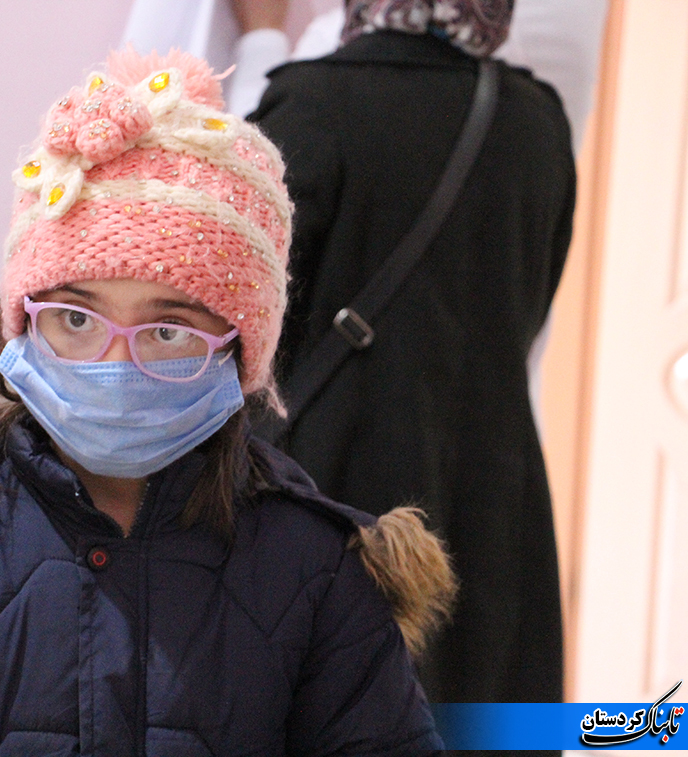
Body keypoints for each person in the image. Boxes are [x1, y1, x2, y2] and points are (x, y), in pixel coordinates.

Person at [0, 48, 456, 756]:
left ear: (238, 351)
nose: (115, 365)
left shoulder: (313, 567)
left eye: (168, 331)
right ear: (25, 324)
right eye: (76, 318)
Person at [232, 0, 576, 714]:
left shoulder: (313, 102)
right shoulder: (536, 121)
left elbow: (244, 309)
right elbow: (533, 304)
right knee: (476, 718)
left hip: (337, 495)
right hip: (495, 502)